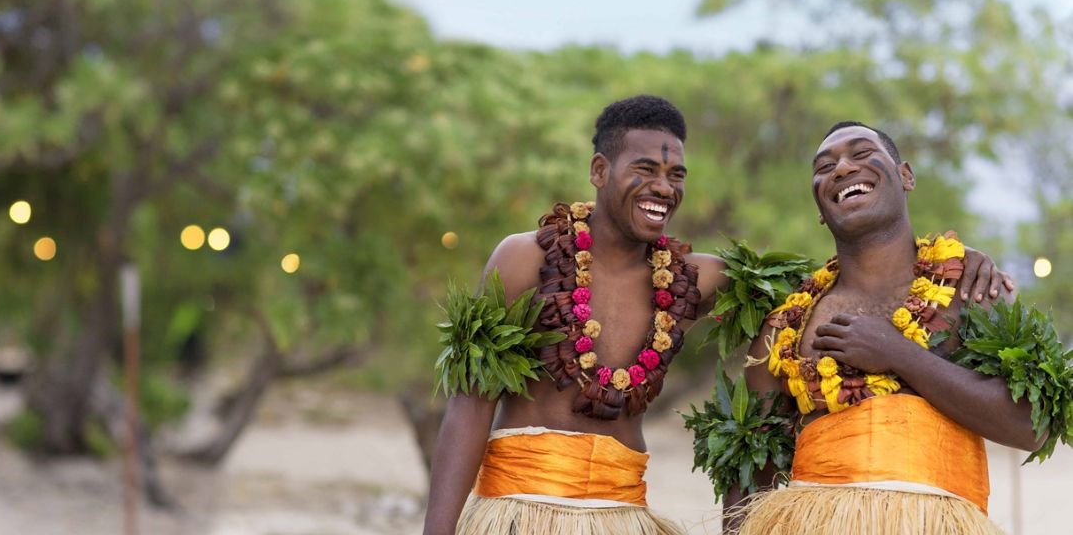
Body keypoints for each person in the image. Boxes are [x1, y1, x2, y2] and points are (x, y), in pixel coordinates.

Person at [424, 99, 1010, 535]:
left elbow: (837, 279)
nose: (662, 187)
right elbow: (469, 404)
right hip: (518, 508)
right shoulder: (524, 258)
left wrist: (957, 263)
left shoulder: (696, 278)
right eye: (644, 169)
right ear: (600, 171)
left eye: (675, 175)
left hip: (622, 512)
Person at [725, 121, 1034, 534]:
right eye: (825, 166)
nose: (842, 168)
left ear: (906, 176)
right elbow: (751, 471)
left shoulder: (972, 290)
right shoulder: (785, 327)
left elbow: (1033, 427)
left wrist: (897, 353)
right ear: (820, 209)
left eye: (861, 153)